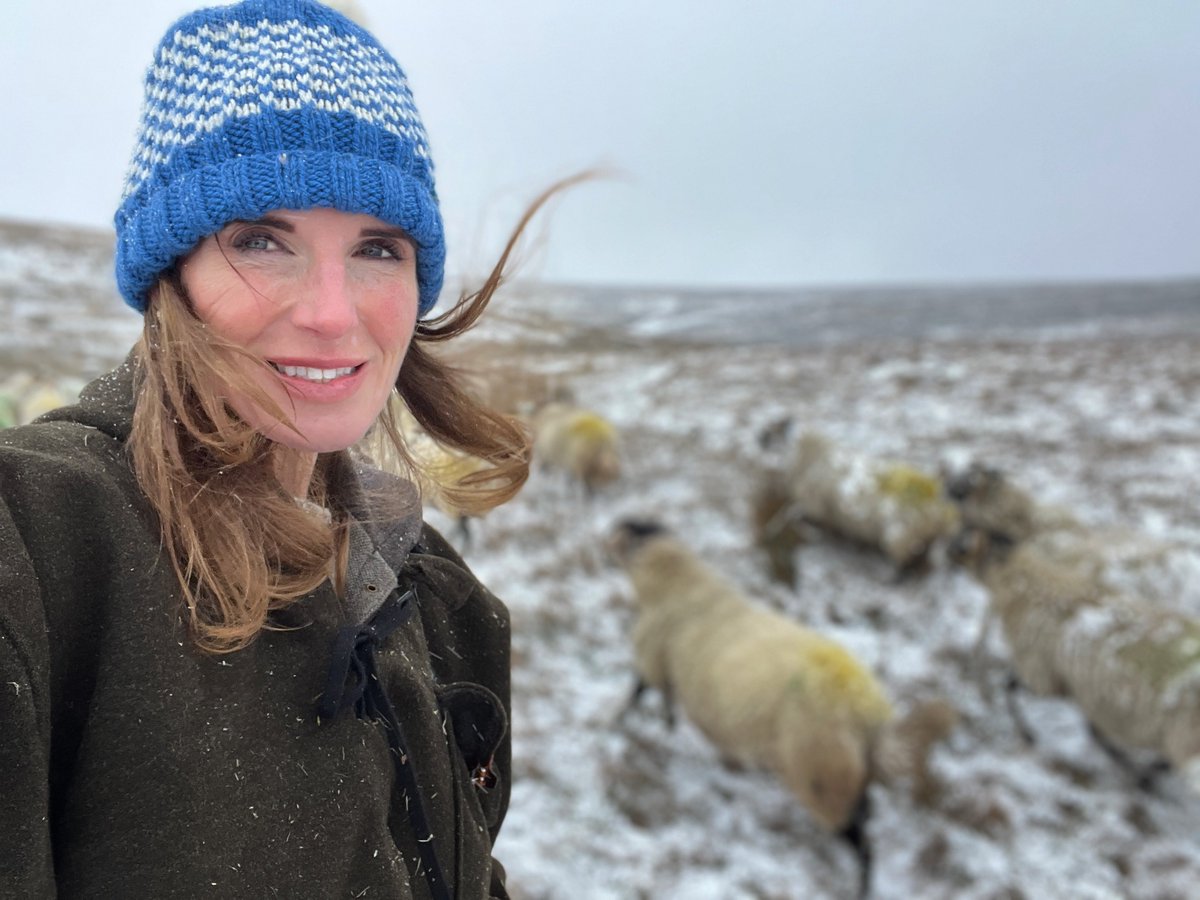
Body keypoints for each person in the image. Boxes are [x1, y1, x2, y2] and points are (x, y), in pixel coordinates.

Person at [0, 1, 546, 896]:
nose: (333, 314)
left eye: (378, 248)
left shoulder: (438, 602)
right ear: (171, 275)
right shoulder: (38, 553)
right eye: (262, 240)